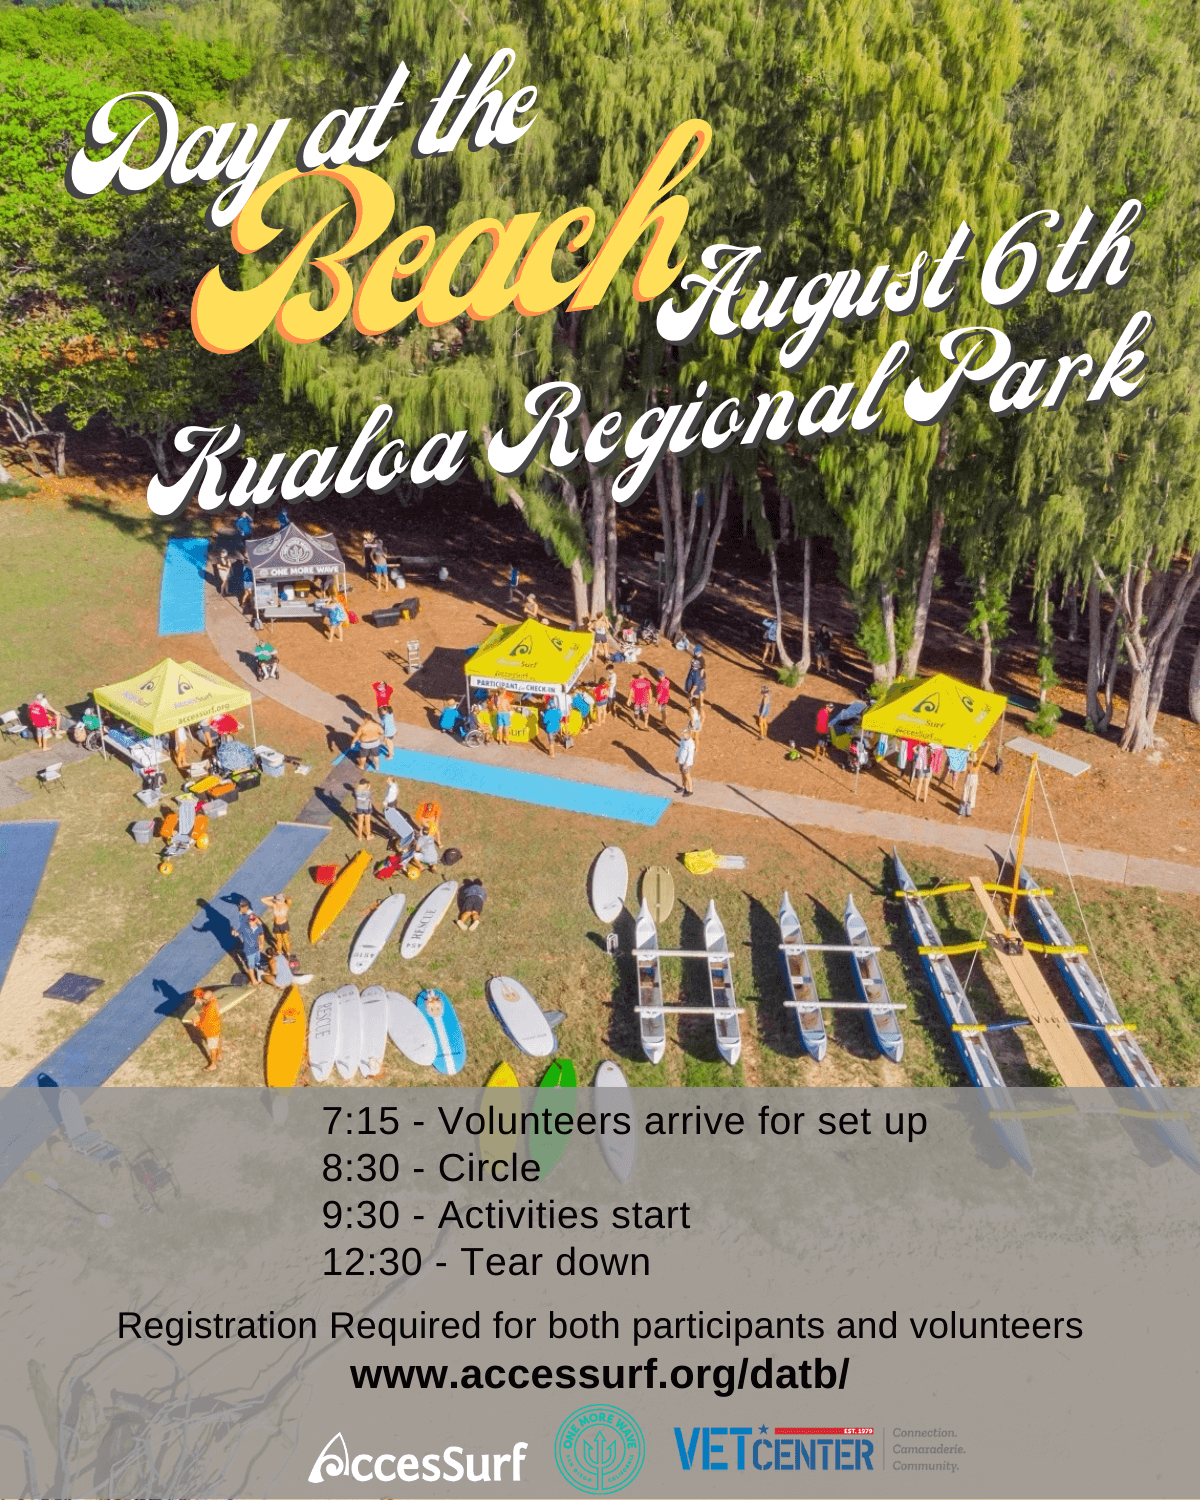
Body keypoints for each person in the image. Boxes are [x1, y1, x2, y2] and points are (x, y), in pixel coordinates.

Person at [193, 987, 222, 1070]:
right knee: (217, 1041)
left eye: (204, 999)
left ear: (207, 1000)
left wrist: (195, 1023)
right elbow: (205, 996)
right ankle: (219, 1056)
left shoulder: (209, 1011)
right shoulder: (213, 1001)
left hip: (211, 1031)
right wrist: (197, 992)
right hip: (217, 1026)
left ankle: (213, 1065)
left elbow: (204, 1024)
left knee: (212, 1049)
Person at [240, 910, 266, 985]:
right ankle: (254, 981)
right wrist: (235, 932)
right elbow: (238, 932)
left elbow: (261, 935)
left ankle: (260, 979)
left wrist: (261, 944)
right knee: (251, 967)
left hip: (256, 949)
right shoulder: (244, 927)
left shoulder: (259, 927)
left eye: (252, 920)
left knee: (258, 963)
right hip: (249, 951)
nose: (251, 922)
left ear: (256, 920)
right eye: (250, 920)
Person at [675, 726, 696, 796]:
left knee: (687, 775)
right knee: (682, 774)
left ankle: (690, 790)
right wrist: (677, 756)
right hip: (681, 760)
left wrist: (686, 764)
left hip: (687, 763)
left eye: (684, 733)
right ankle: (683, 787)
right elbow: (680, 748)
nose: (682, 734)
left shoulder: (691, 743)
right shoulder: (682, 739)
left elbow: (690, 755)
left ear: (688, 734)